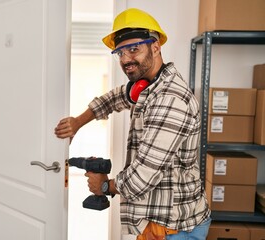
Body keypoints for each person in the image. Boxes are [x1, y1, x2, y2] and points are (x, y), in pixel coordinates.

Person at [54, 8, 211, 240]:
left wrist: (104, 186)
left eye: (134, 49)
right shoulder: (147, 85)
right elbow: (113, 99)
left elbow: (141, 177)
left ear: (155, 46)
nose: (125, 59)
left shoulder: (170, 99)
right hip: (156, 224)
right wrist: (78, 122)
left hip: (173, 229)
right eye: (119, 53)